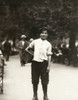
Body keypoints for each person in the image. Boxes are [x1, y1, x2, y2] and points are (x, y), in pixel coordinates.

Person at [26, 29, 52, 100]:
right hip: (35, 63)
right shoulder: (35, 41)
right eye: (42, 33)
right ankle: (35, 95)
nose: (44, 34)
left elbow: (49, 55)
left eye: (45, 33)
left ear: (47, 35)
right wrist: (33, 54)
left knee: (45, 80)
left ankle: (45, 95)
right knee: (35, 80)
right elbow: (27, 49)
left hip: (44, 63)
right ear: (40, 34)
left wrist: (48, 66)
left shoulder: (48, 44)